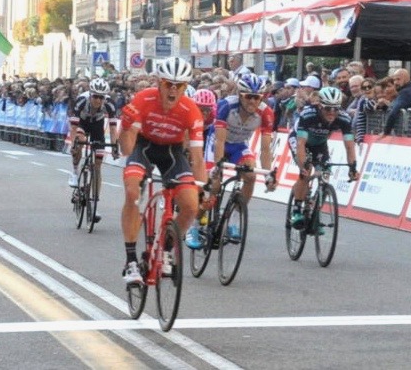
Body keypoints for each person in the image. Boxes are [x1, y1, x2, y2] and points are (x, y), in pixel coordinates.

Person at [117, 57, 207, 285]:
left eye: (180, 86)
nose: (173, 90)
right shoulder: (142, 99)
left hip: (172, 153)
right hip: (144, 147)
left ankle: (166, 248)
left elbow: (197, 157)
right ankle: (131, 261)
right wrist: (126, 127)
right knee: (132, 193)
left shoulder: (191, 111)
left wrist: (202, 188)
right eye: (168, 84)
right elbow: (127, 149)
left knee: (191, 205)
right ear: (159, 83)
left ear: (186, 87)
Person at [186, 75, 275, 249]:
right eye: (248, 96)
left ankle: (234, 219)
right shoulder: (226, 105)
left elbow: (265, 148)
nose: (252, 101)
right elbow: (219, 141)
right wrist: (217, 168)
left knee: (250, 176)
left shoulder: (266, 113)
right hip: (218, 142)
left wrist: (269, 174)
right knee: (213, 187)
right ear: (240, 95)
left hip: (239, 145)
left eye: (257, 97)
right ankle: (194, 227)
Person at [287, 87, 358, 228]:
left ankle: (315, 214)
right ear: (319, 105)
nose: (332, 113)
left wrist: (353, 167)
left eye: (335, 109)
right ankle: (297, 209)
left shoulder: (344, 119)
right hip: (300, 140)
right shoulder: (308, 114)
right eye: (327, 109)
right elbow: (301, 144)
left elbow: (349, 146)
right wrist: (302, 166)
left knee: (326, 173)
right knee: (306, 171)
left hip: (320, 143)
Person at [67, 78, 119, 191]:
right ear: (90, 95)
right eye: (95, 96)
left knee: (98, 164)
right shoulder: (82, 100)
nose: (98, 100)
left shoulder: (110, 104)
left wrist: (115, 147)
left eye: (101, 97)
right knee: (80, 139)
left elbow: (113, 127)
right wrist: (73, 145)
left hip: (97, 124)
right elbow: (74, 126)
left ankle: (95, 198)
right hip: (82, 122)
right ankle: (75, 171)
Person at [383, 68, 411, 136]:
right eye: (394, 80)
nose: (395, 82)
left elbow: (393, 112)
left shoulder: (405, 92)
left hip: (407, 131)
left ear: (407, 79)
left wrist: (386, 132)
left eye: (398, 79)